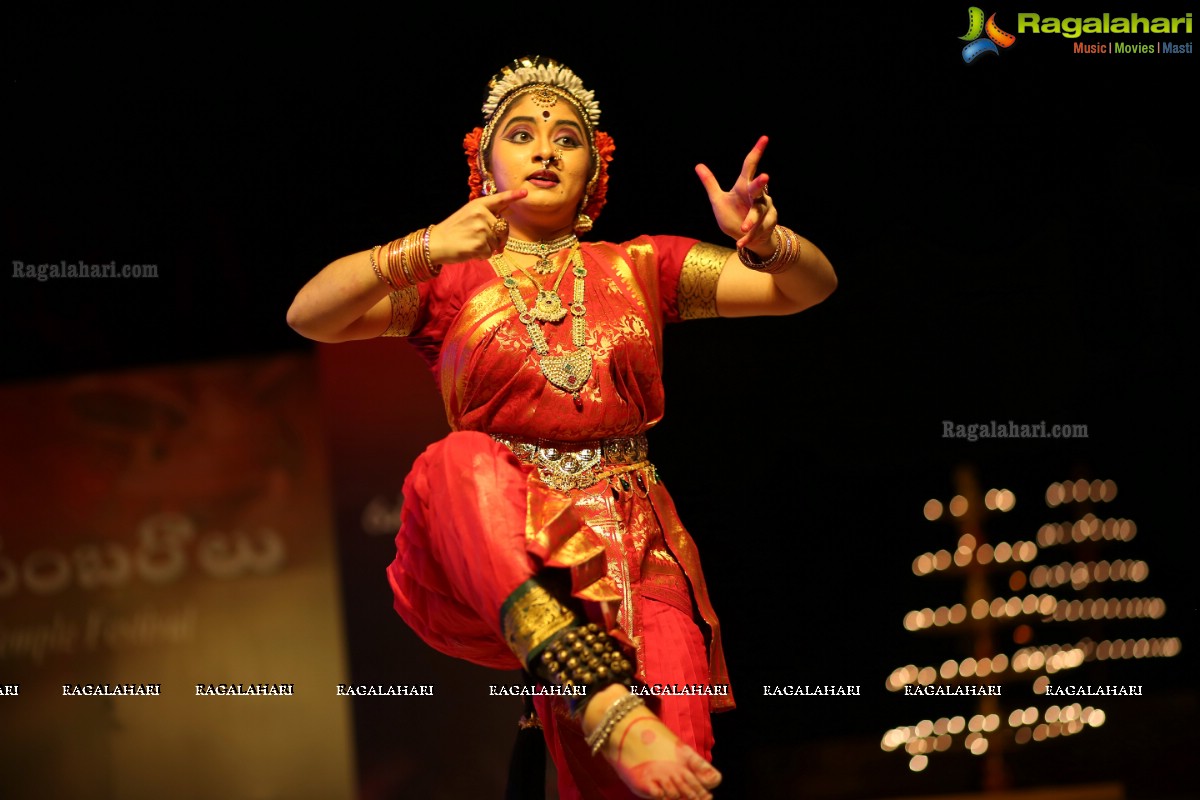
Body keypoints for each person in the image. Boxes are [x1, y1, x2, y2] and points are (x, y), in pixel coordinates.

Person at [288, 55, 836, 800]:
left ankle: (605, 701)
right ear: (484, 165)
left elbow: (805, 290)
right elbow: (309, 315)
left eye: (568, 139)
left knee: (667, 771)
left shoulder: (642, 268)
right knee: (457, 461)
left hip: (636, 552)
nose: (545, 148)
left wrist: (764, 239)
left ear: (593, 174)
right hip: (497, 545)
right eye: (521, 134)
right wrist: (424, 248)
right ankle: (590, 683)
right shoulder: (446, 281)